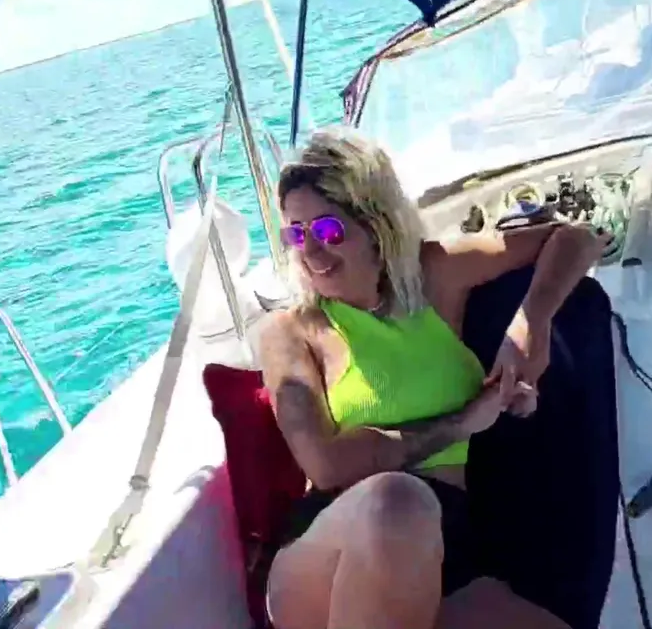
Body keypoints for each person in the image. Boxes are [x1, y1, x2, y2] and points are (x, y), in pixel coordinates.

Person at [258, 126, 610, 629]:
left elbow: (575, 238)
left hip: (450, 549)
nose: (311, 252)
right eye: (296, 234)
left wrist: (532, 321)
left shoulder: (434, 275)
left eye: (329, 230)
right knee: (398, 502)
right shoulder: (292, 332)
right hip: (333, 548)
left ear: (375, 224)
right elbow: (327, 465)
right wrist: (462, 422)